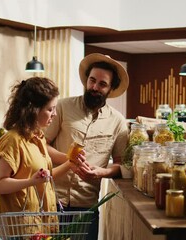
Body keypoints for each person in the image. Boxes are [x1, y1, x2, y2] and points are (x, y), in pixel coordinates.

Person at [44, 53, 130, 239]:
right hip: (51, 200)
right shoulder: (62, 107)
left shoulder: (118, 122)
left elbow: (121, 163)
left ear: (111, 88)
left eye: (102, 84)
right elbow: (42, 145)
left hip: (87, 206)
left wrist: (101, 172)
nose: (94, 87)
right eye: (92, 80)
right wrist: (68, 160)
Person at [0, 77, 73, 236]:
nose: (54, 114)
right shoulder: (13, 140)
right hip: (22, 231)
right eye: (50, 109)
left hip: (42, 226)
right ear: (33, 110)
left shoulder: (38, 138)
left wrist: (71, 164)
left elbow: (44, 179)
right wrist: (31, 181)